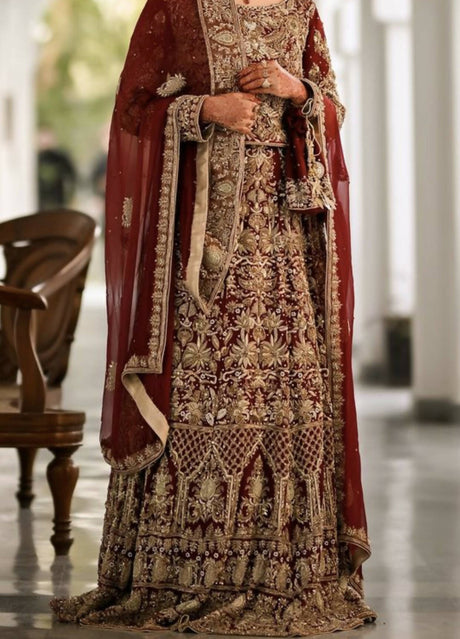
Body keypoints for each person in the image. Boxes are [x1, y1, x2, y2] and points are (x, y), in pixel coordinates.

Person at [50, 0, 378, 634]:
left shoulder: (300, 9)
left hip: (284, 246)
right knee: (199, 395)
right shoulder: (175, 7)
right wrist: (203, 110)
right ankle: (180, 572)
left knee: (287, 396)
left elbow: (333, 107)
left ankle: (288, 570)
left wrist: (297, 89)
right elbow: (133, 108)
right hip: (200, 254)